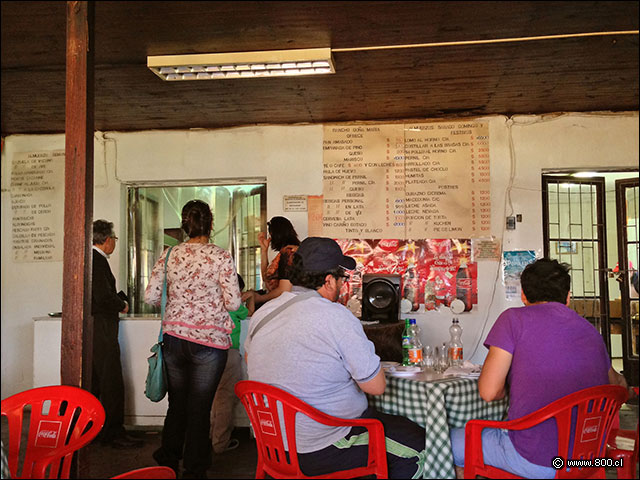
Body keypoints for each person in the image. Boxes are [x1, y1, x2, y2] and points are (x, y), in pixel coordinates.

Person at [244, 237, 426, 478]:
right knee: (421, 447)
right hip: (324, 446)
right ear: (328, 280)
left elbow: (250, 360)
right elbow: (377, 386)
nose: (342, 286)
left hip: (273, 446)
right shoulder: (336, 316)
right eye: (342, 279)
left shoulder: (264, 313)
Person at [450, 258, 633, 479]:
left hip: (534, 460)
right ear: (567, 297)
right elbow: (616, 385)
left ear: (524, 296)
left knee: (448, 441)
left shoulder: (513, 320)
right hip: (588, 458)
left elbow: (489, 392)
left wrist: (514, 387)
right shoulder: (590, 331)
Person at [144, 200, 242, 478]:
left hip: (174, 338)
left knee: (177, 404)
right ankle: (195, 469)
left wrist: (180, 303)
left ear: (185, 225)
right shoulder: (221, 256)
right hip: (209, 344)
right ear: (210, 224)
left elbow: (151, 296)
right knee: (200, 407)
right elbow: (234, 304)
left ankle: (168, 459)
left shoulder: (169, 254)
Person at [91, 219, 142, 449]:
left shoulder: (90, 259)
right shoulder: (98, 261)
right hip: (103, 327)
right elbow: (102, 297)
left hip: (94, 328)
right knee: (111, 381)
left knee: (95, 381)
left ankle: (93, 430)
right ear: (108, 240)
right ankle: (113, 432)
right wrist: (121, 303)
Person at [210, 274, 255, 454]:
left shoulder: (210, 301)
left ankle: (210, 436)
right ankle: (219, 443)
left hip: (208, 352)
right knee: (225, 398)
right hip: (228, 352)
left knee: (213, 396)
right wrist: (251, 297)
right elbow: (250, 314)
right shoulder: (234, 305)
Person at [250, 216, 300, 306]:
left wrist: (260, 298)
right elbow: (267, 279)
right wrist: (264, 250)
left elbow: (284, 289)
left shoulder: (289, 252)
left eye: (271, 235)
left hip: (285, 305)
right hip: (280, 303)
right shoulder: (285, 252)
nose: (270, 238)